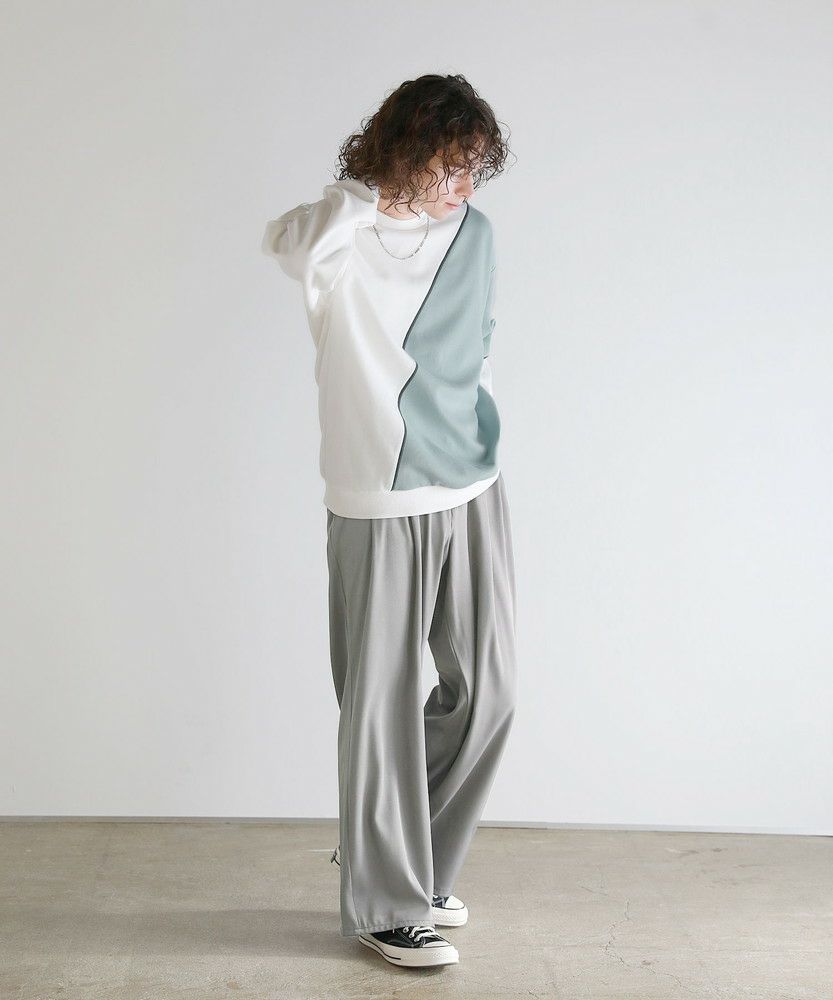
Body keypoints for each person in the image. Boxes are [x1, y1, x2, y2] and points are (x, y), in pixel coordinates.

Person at [262, 73, 517, 969]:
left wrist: (486, 441)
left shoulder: (473, 234)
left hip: (471, 484)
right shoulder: (340, 238)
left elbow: (475, 350)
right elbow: (284, 242)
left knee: (486, 694)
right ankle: (384, 901)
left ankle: (401, 862)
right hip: (376, 494)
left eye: (474, 167)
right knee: (376, 707)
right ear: (403, 153)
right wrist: (369, 192)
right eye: (448, 165)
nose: (464, 186)